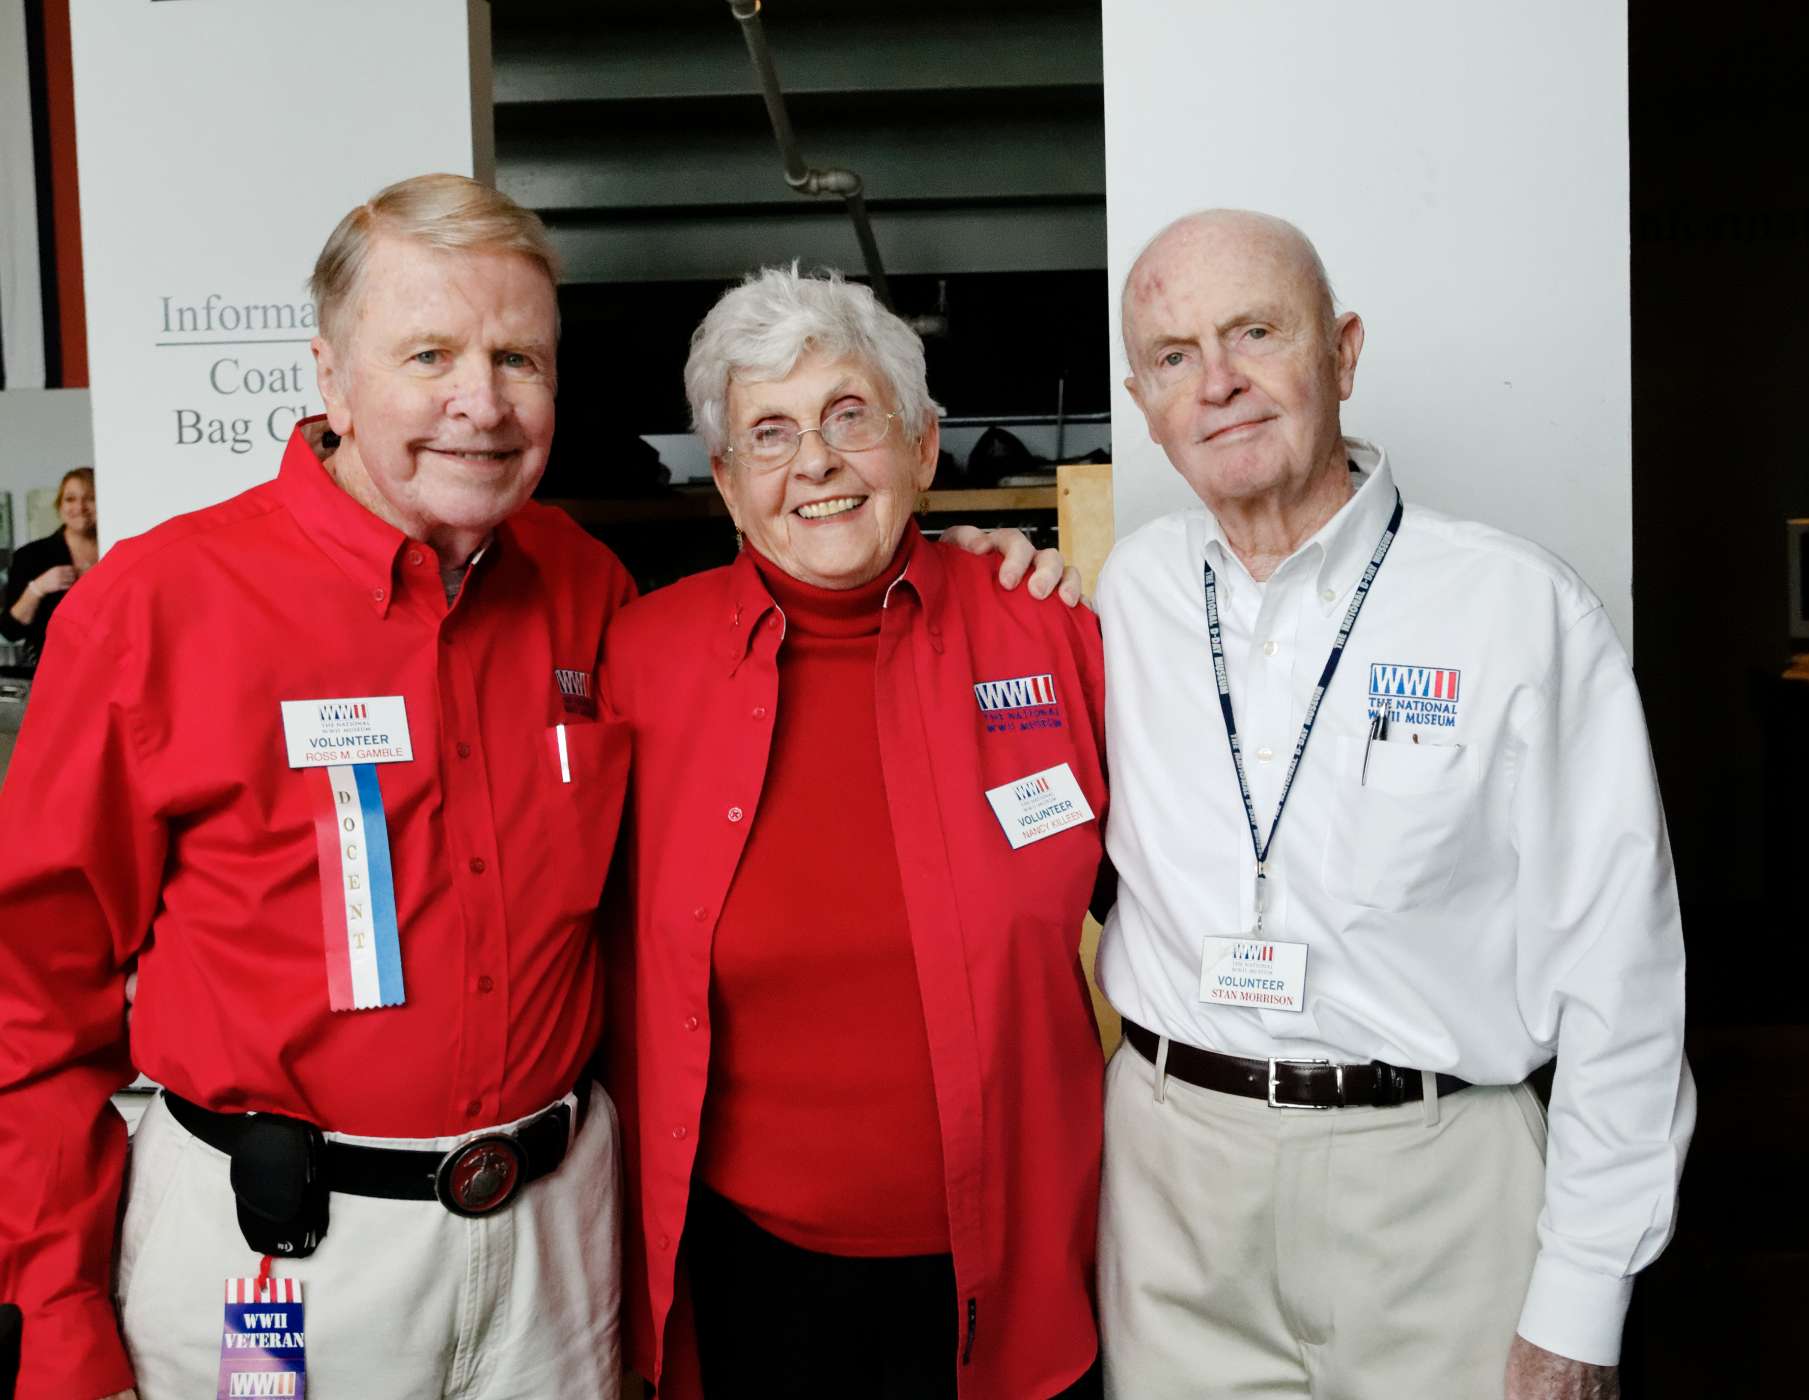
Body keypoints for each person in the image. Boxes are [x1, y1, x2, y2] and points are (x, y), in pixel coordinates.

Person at [0, 173, 1075, 1400]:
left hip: (555, 1264)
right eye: (428, 352)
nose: (481, 400)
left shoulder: (588, 594)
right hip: (279, 1266)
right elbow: (29, 1005)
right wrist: (58, 1321)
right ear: (331, 379)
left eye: (518, 356)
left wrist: (979, 567)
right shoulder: (156, 610)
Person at [1092, 209, 1695, 1400]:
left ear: (1343, 352)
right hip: (1173, 1190)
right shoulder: (1128, 593)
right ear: (1144, 400)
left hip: (1439, 1188)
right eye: (1173, 357)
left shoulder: (1518, 610)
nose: (1217, 383)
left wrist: (1581, 1297)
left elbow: (1625, 978)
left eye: (1255, 332)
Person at [598, 266, 1108, 1400]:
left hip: (1017, 1263)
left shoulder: (1053, 633)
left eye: (848, 416)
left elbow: (1176, 909)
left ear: (923, 447)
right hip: (746, 1275)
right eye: (769, 433)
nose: (815, 462)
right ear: (727, 484)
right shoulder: (641, 662)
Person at [1, 467, 97, 666]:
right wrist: (38, 588)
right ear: (59, 505)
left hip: (110, 669)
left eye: (90, 498)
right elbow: (11, 631)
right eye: (70, 499)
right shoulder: (30, 556)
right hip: (52, 670)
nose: (79, 507)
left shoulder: (118, 549)